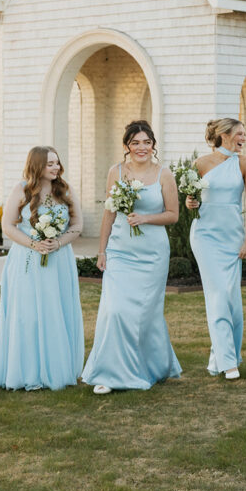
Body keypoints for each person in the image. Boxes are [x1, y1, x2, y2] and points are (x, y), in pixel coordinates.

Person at [82, 120, 183, 394]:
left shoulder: (164, 174)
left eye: (146, 142)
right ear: (127, 146)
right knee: (115, 311)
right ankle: (109, 373)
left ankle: (149, 367)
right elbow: (109, 212)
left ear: (153, 145)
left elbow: (173, 214)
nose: (142, 148)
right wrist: (102, 250)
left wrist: (146, 218)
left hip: (152, 255)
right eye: (136, 143)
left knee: (144, 315)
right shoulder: (115, 171)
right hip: (120, 251)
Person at [0, 146, 84, 391]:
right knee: (27, 315)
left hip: (59, 261)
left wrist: (58, 242)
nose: (56, 167)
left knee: (57, 311)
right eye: (50, 164)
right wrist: (34, 244)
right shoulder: (21, 190)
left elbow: (78, 225)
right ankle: (26, 370)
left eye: (57, 163)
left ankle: (56, 369)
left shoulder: (65, 190)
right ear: (37, 165)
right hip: (26, 260)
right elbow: (8, 226)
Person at [187, 118, 246, 380]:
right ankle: (229, 363)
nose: (244, 138)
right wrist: (190, 202)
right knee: (217, 294)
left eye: (244, 134)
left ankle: (224, 355)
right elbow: (190, 199)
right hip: (205, 236)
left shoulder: (245, 164)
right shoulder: (200, 164)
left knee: (232, 298)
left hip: (232, 236)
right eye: (240, 133)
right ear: (225, 135)